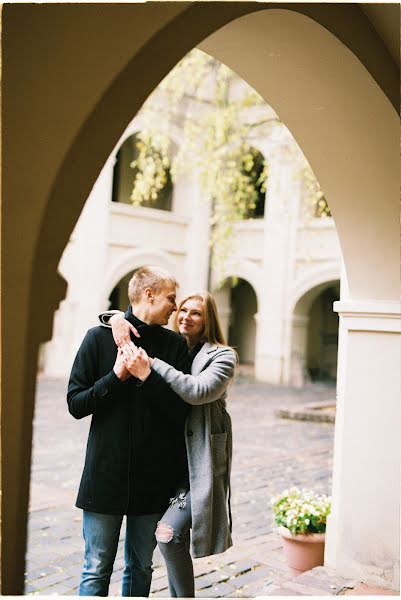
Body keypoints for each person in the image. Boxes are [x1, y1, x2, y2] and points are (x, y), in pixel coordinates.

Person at [101, 291, 236, 598]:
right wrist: (117, 317)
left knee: (167, 534)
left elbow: (197, 390)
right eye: (183, 310)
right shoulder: (169, 343)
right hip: (163, 463)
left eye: (196, 312)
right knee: (159, 543)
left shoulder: (222, 356)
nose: (186, 316)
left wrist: (150, 365)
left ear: (209, 319)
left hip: (195, 465)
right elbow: (135, 319)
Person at [67, 266, 190, 597]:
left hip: (153, 479)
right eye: (171, 299)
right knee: (96, 567)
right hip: (104, 474)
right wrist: (116, 377)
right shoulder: (98, 338)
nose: (175, 307)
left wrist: (148, 377)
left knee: (141, 568)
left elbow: (182, 413)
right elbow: (76, 404)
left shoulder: (175, 345)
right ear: (149, 295)